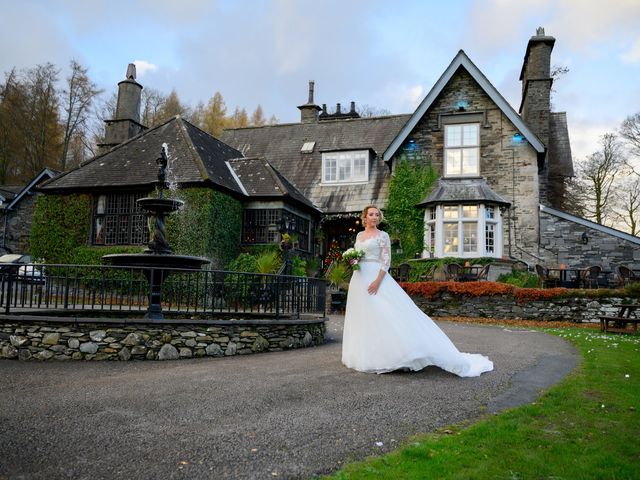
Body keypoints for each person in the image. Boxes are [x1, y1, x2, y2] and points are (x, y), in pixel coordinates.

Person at [341, 205, 493, 377]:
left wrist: (377, 281)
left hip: (376, 277)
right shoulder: (359, 235)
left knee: (386, 313)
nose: (374, 217)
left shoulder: (383, 235)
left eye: (377, 214)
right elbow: (358, 256)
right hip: (359, 278)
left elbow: (386, 261)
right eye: (371, 214)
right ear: (365, 217)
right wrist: (353, 261)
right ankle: (365, 354)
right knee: (363, 316)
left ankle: (399, 353)